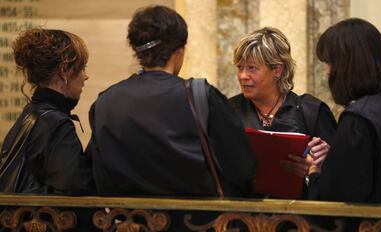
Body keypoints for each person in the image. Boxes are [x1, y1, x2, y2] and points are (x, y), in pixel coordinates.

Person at [87, 5, 256, 230]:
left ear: (138, 52)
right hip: (196, 225)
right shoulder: (200, 96)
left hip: (131, 224)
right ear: (179, 52)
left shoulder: (105, 102)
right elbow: (243, 168)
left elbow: (98, 175)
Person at [307, 18, 381, 230]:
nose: (328, 72)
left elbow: (336, 199)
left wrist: (313, 173)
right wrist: (337, 156)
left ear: (347, 65)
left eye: (330, 63)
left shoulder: (357, 119)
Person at [0, 28, 96, 231]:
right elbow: (77, 190)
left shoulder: (31, 113)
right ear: (64, 71)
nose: (86, 77)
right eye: (82, 67)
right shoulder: (55, 123)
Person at [229, 27, 336, 188]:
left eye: (252, 68)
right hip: (243, 211)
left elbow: (339, 176)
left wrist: (313, 170)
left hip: (299, 210)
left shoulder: (312, 112)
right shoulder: (229, 111)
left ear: (277, 70)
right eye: (240, 67)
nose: (243, 76)